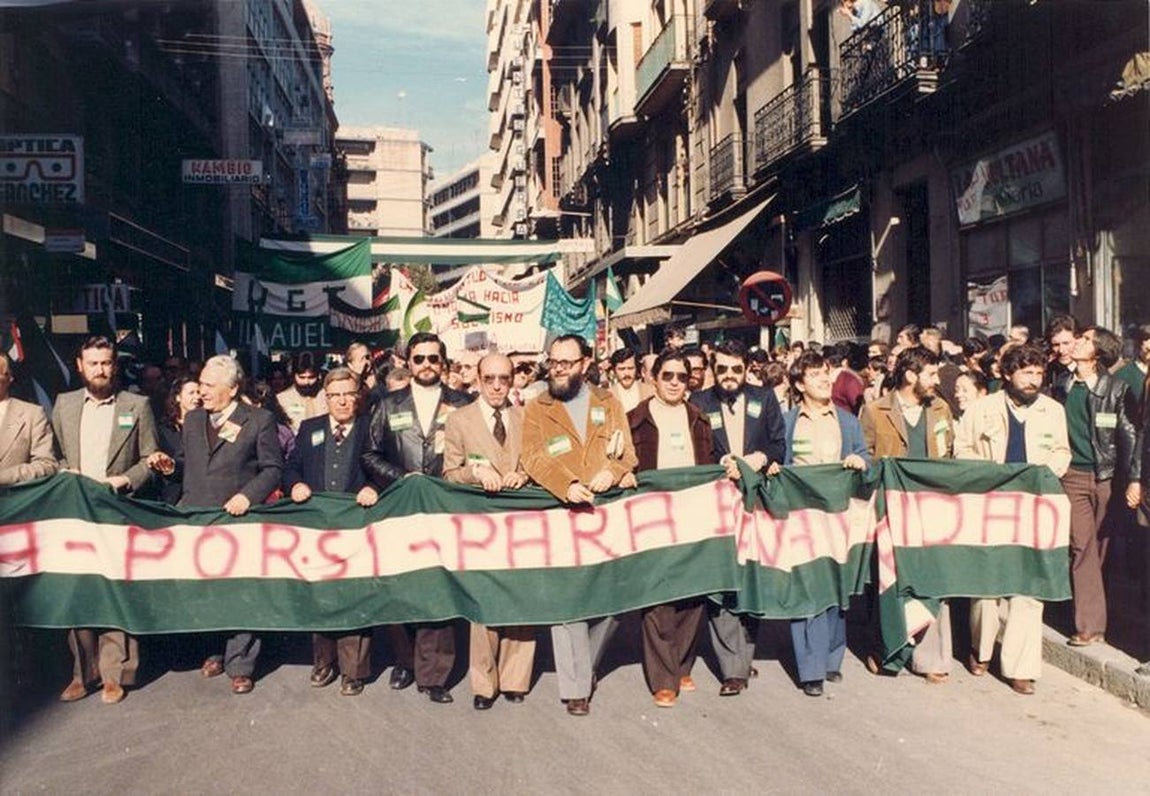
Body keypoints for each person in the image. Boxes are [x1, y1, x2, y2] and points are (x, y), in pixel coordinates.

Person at [521, 334, 638, 716]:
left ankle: (583, 665)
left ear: (585, 364)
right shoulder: (537, 407)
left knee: (612, 602)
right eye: (553, 362)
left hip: (605, 517)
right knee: (567, 601)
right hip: (563, 513)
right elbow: (532, 457)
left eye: (565, 363)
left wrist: (613, 471)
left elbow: (627, 453)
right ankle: (576, 688)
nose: (556, 369)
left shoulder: (609, 402)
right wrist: (566, 485)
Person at [361, 332, 474, 704]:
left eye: (433, 358)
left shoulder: (462, 403)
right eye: (419, 358)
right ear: (408, 363)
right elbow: (370, 454)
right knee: (403, 585)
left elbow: (474, 452)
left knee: (440, 587)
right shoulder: (387, 403)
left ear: (444, 362)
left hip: (445, 508)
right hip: (403, 507)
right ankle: (405, 661)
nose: (427, 365)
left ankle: (434, 674)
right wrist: (403, 479)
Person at [955, 344, 1071, 694]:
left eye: (1038, 373)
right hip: (991, 506)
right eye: (1026, 372)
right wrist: (988, 472)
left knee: (1028, 586)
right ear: (1007, 374)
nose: (1034, 379)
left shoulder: (1053, 410)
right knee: (986, 584)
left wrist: (1047, 472)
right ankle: (981, 649)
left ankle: (1021, 666)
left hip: (1034, 507)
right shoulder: (982, 409)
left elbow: (1062, 451)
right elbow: (961, 449)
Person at [51, 336, 158, 704]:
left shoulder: (137, 405)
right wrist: (65, 472)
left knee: (114, 591)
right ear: (80, 366)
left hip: (117, 509)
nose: (100, 370)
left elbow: (150, 458)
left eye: (106, 363)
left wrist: (125, 479)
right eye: (93, 363)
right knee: (78, 590)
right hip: (76, 512)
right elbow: (52, 455)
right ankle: (83, 672)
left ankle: (115, 673)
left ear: (115, 365)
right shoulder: (64, 404)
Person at [180, 354, 284, 695]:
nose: (202, 391)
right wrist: (168, 468)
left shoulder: (259, 420)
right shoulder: (193, 420)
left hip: (239, 521)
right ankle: (214, 652)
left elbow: (273, 468)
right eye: (201, 384)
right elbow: (188, 465)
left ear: (234, 389)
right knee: (209, 592)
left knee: (241, 593)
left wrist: (247, 496)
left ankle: (240, 663)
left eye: (210, 386)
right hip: (200, 519)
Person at [689, 339, 787, 697]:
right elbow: (697, 450)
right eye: (722, 369)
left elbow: (779, 443)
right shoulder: (699, 402)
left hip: (755, 503)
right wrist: (721, 463)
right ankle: (732, 669)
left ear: (747, 368)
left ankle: (742, 658)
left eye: (736, 368)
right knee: (723, 579)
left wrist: (762, 458)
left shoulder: (765, 398)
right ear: (713, 370)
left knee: (751, 577)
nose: (729, 375)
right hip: (718, 504)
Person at [442, 353, 535, 711]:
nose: (497, 386)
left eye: (504, 379)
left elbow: (537, 462)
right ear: (478, 380)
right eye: (490, 379)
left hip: (520, 521)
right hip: (481, 522)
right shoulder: (459, 420)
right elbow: (450, 472)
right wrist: (476, 473)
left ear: (512, 380)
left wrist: (523, 475)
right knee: (484, 599)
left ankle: (515, 678)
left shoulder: (526, 417)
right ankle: (483, 682)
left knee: (521, 595)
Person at [859, 346, 955, 682]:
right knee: (889, 578)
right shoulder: (875, 411)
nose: (937, 380)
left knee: (932, 578)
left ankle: (931, 658)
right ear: (911, 375)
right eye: (931, 374)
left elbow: (949, 453)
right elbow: (866, 457)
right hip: (891, 509)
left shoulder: (940, 408)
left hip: (931, 506)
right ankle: (885, 647)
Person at [283, 367, 379, 697]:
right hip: (319, 528)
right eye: (335, 395)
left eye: (348, 394)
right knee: (321, 595)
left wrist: (373, 486)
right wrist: (295, 484)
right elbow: (291, 466)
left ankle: (353, 671)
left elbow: (385, 466)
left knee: (354, 595)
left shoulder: (370, 427)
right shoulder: (310, 428)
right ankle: (323, 662)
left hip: (356, 525)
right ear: (326, 397)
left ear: (358, 396)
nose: (341, 401)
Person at [626, 349, 713, 708]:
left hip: (693, 516)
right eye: (668, 376)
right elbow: (622, 463)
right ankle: (664, 677)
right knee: (659, 596)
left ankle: (682, 663)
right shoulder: (634, 420)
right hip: (652, 518)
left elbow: (712, 462)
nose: (675, 383)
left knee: (692, 595)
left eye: (682, 377)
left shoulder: (699, 419)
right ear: (653, 378)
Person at [783, 351, 870, 697]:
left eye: (825, 373)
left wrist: (859, 461)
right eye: (814, 375)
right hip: (801, 516)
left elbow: (865, 456)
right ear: (799, 384)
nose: (823, 379)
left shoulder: (847, 422)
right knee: (807, 587)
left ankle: (832, 657)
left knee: (835, 585)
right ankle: (811, 668)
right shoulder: (788, 421)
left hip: (838, 517)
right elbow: (778, 460)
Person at [1050, 326, 1140, 648]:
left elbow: (1130, 437)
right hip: (1072, 476)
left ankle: (1102, 615)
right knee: (1082, 546)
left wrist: (1133, 479)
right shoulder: (1061, 386)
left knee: (1102, 550)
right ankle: (1089, 626)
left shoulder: (1116, 389)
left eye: (1086, 339)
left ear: (1098, 352)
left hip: (1107, 478)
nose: (1077, 342)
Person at [0, 351, 58, 485]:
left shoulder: (32, 415)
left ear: (9, 378)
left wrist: (4, 477)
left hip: (12, 495)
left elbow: (47, 464)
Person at [149, 376, 200, 504]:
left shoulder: (206, 426)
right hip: (172, 494)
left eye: (199, 392)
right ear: (178, 397)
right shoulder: (164, 429)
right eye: (191, 393)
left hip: (198, 491)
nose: (197, 397)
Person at [278, 357, 326, 433]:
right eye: (302, 377)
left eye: (311, 377)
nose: (306, 382)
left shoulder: (327, 395)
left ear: (318, 376)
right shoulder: (282, 399)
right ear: (294, 376)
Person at [1044, 314, 1077, 394]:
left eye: (1066, 343)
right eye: (1056, 345)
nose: (1061, 350)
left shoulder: (1091, 371)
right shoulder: (1050, 370)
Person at [608, 347, 649, 413]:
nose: (626, 373)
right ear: (614, 371)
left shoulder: (649, 392)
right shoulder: (607, 396)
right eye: (621, 369)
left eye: (630, 368)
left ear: (636, 369)